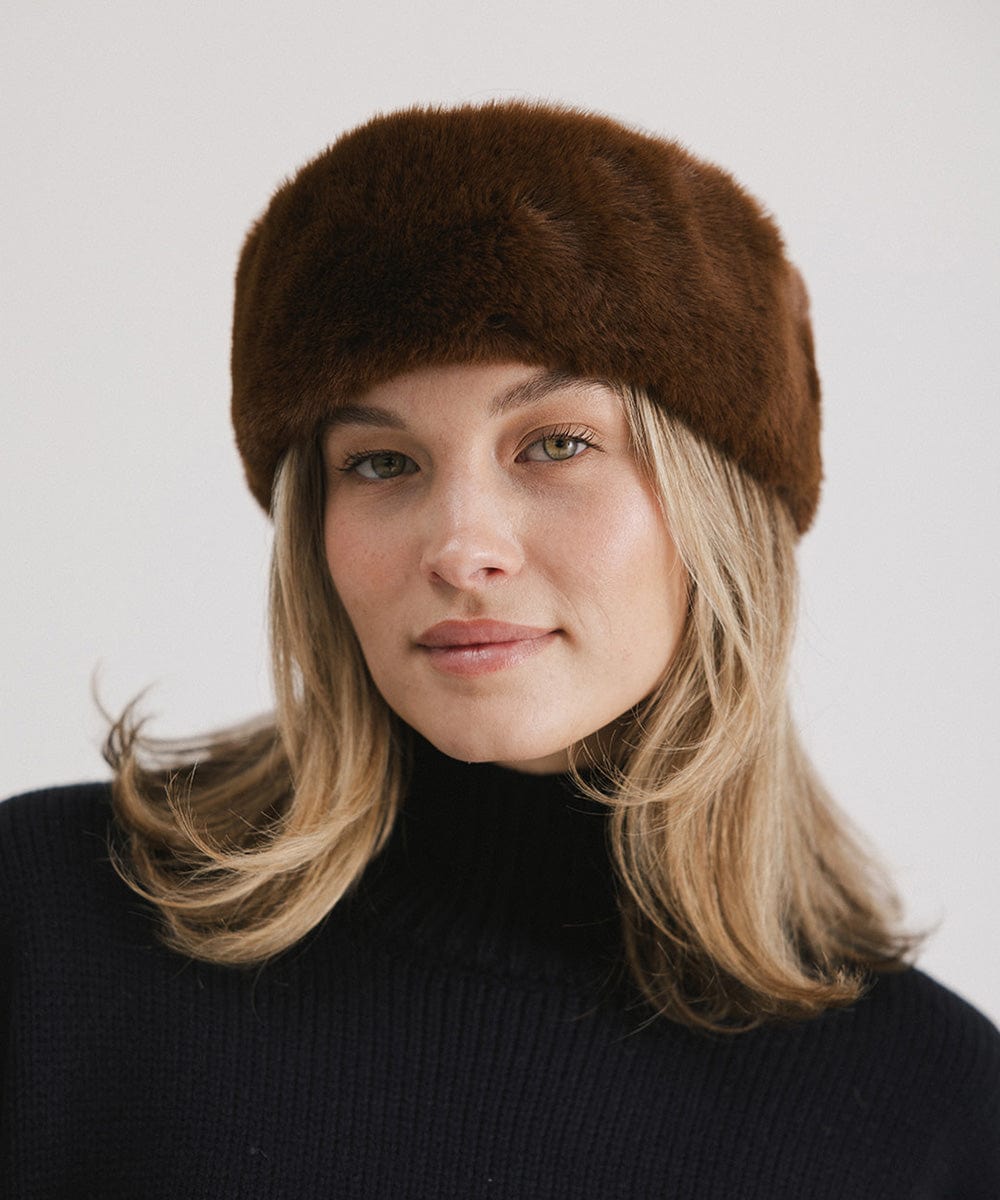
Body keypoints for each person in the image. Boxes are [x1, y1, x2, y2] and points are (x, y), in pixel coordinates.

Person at [1, 100, 997, 1198]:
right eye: (381, 463)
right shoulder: (51, 931)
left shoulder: (930, 1114)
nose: (461, 546)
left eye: (556, 443)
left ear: (720, 516)